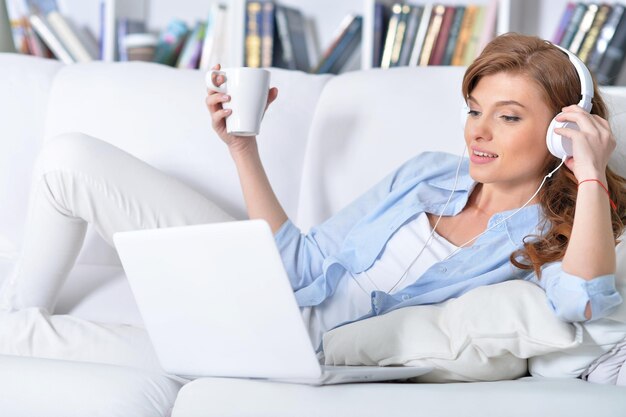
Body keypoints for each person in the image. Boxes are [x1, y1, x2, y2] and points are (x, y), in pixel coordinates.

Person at [0, 34, 624, 379]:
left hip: (295, 348)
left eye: (507, 117)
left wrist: (590, 173)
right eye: (473, 110)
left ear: (559, 132)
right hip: (265, 292)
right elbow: (301, 265)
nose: (478, 132)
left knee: (16, 338)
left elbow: (585, 301)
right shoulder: (428, 175)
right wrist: (243, 149)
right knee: (68, 157)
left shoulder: (551, 231)